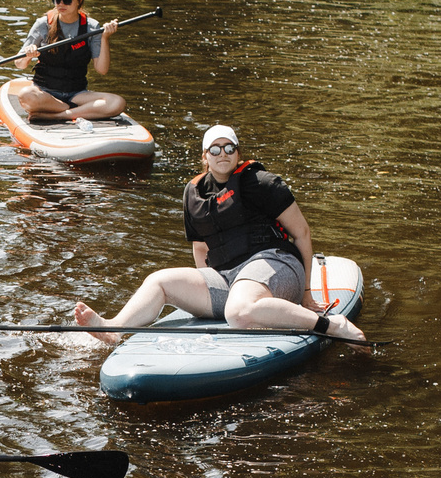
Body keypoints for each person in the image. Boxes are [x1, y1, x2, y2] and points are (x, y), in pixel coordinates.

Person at [75, 125, 359, 341]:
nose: (222, 153)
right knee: (159, 281)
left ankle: (332, 326)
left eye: (229, 148)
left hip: (278, 265)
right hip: (227, 277)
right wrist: (207, 294)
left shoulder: (262, 183)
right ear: (205, 156)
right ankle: (113, 329)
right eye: (215, 149)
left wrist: (307, 292)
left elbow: (303, 234)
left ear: (238, 152)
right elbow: (201, 251)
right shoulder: (194, 194)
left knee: (239, 311)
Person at [5, 0, 125, 121]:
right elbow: (19, 64)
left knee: (117, 103)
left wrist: (105, 38)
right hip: (45, 93)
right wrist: (28, 55)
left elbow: (102, 69)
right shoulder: (43, 24)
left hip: (77, 94)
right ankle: (74, 110)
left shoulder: (92, 27)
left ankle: (62, 115)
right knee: (25, 95)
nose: (61, 4)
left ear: (79, 1)